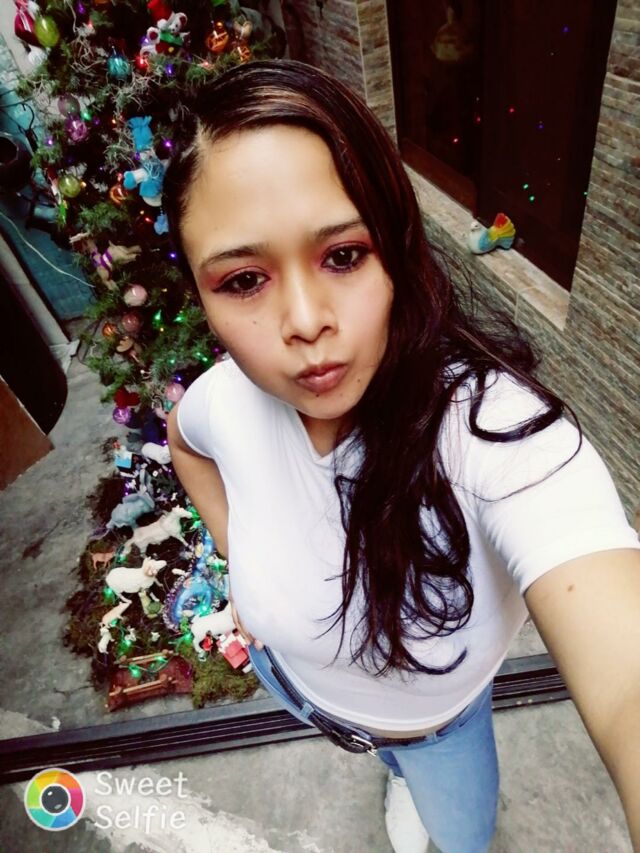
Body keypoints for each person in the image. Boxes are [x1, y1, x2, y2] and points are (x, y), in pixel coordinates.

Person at [163, 59, 640, 853]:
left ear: (396, 246)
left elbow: (627, 677)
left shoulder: (493, 431)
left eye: (344, 255)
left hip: (439, 736)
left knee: (460, 836)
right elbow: (185, 440)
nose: (305, 320)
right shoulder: (224, 397)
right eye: (244, 279)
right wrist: (237, 555)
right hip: (295, 685)